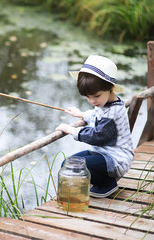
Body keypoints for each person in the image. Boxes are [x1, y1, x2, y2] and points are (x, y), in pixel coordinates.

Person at [56, 55, 134, 198]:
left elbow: (97, 135)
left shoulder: (113, 112)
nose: (92, 101)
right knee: (66, 164)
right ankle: (101, 180)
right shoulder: (107, 103)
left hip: (116, 159)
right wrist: (82, 114)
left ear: (110, 87)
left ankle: (106, 184)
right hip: (102, 153)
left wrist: (71, 130)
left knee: (80, 168)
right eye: (87, 97)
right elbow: (98, 115)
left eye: (96, 96)